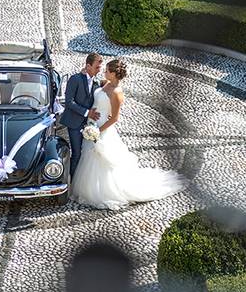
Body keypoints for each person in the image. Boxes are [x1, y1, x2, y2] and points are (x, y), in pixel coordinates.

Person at [70, 59, 186, 210]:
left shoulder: (117, 93)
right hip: (92, 123)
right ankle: (82, 186)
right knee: (88, 154)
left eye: (106, 70)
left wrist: (98, 130)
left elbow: (115, 118)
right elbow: (95, 83)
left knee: (100, 159)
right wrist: (84, 73)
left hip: (102, 128)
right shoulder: (106, 82)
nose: (104, 72)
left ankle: (100, 191)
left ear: (113, 73)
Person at [59, 53, 103, 177]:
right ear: (88, 66)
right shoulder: (75, 79)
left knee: (88, 155)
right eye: (97, 67)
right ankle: (71, 182)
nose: (99, 70)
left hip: (89, 125)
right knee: (77, 153)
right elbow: (69, 102)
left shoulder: (97, 82)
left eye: (100, 67)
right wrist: (87, 112)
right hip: (74, 123)